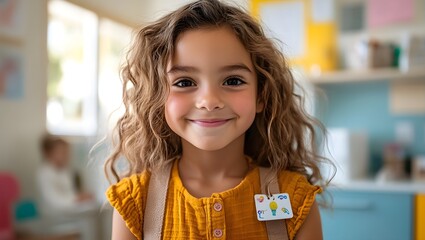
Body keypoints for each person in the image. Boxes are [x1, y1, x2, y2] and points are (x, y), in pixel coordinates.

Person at [105, 1, 331, 239]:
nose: (209, 101)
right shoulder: (133, 202)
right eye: (184, 82)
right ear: (157, 97)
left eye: (233, 81)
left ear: (261, 95)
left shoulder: (296, 198)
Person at [37, 134, 93, 214]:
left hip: (71, 211)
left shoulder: (69, 171)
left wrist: (83, 196)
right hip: (54, 215)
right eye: (62, 152)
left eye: (67, 152)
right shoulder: (45, 173)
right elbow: (54, 199)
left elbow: (76, 190)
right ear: (50, 153)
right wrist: (77, 199)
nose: (66, 155)